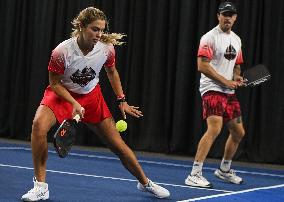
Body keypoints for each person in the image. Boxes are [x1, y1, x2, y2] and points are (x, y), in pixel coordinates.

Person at [21, 7, 170, 201]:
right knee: (38, 127)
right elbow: (54, 83)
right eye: (94, 29)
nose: (99, 34)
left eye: (102, 29)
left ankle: (145, 183)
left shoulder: (106, 48)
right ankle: (40, 187)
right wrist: (73, 102)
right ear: (82, 27)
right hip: (62, 95)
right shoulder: (62, 51)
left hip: (92, 98)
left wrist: (121, 100)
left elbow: (112, 72)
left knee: (118, 146)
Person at [185, 1, 245, 188]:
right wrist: (225, 81)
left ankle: (224, 170)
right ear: (218, 16)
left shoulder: (236, 39)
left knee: (238, 132)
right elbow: (202, 65)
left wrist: (236, 77)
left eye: (231, 14)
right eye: (224, 14)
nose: (227, 17)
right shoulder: (209, 38)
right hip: (212, 89)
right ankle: (194, 174)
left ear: (235, 17)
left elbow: (237, 64)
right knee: (215, 127)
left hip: (229, 92)